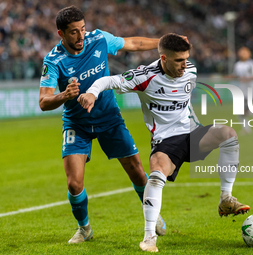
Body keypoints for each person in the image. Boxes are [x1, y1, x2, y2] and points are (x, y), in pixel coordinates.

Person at [78, 33, 250, 252]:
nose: (184, 65)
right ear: (163, 58)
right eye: (178, 60)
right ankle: (149, 237)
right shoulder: (144, 76)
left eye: (186, 58)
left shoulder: (191, 71)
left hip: (193, 133)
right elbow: (108, 80)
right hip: (166, 141)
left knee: (229, 135)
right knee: (158, 173)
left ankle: (226, 198)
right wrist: (92, 93)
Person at [39, 5, 167, 244]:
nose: (80, 36)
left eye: (82, 29)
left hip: (109, 118)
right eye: (74, 32)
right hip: (77, 123)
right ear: (61, 34)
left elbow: (133, 44)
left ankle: (153, 213)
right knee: (74, 183)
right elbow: (44, 102)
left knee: (138, 172)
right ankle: (84, 228)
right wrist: (64, 96)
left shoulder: (98, 38)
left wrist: (165, 43)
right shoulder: (53, 60)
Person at [226, 47, 253, 134]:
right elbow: (236, 75)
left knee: (246, 112)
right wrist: (228, 77)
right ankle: (246, 130)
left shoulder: (251, 64)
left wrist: (247, 79)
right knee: (241, 112)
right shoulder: (237, 64)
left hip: (251, 91)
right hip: (242, 91)